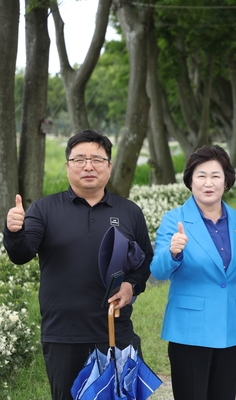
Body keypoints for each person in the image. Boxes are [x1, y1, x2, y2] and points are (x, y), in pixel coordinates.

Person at [2, 130, 154, 400]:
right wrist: (13, 231)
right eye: (79, 159)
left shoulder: (129, 211)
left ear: (109, 166)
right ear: (68, 165)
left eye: (97, 159)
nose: (88, 166)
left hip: (115, 331)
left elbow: (146, 261)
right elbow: (21, 254)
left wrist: (131, 285)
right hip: (63, 335)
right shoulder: (44, 209)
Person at [150, 145, 236, 400]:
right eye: (201, 175)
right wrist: (173, 253)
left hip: (231, 330)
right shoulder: (174, 219)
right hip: (189, 330)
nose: (208, 183)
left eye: (215, 175)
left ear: (226, 181)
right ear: (190, 180)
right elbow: (157, 271)